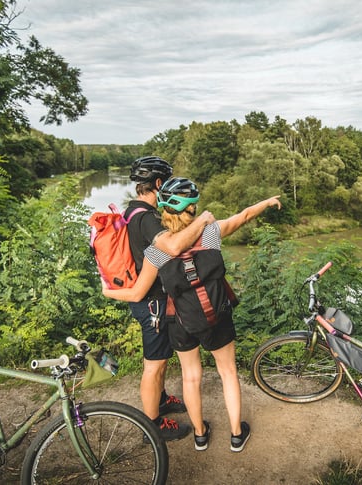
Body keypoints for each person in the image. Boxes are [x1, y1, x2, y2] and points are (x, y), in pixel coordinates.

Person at [103, 177, 281, 453]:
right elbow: (243, 216)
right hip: (216, 315)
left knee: (190, 377)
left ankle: (200, 435)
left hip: (181, 320)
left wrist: (108, 291)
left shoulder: (156, 251)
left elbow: (137, 293)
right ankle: (236, 434)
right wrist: (266, 202)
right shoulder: (210, 233)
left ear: (164, 211)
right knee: (228, 372)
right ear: (193, 210)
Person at [124, 157, 208, 440]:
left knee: (160, 357)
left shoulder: (132, 211)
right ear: (159, 184)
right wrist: (204, 220)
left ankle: (161, 400)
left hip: (146, 298)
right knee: (155, 364)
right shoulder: (147, 218)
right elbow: (171, 245)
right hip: (151, 301)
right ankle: (153, 425)